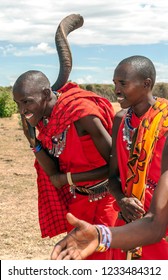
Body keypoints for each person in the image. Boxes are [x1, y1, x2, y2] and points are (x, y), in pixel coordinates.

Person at [51, 55, 168, 260]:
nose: (117, 90)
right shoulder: (121, 120)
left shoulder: (165, 125)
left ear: (146, 84)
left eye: (123, 83)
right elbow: (112, 177)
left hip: (160, 228)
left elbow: (157, 223)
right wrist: (122, 200)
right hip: (125, 223)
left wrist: (100, 235)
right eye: (115, 83)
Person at [12, 70, 118, 260]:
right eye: (18, 104)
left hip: (107, 203)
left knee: (107, 260)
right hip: (77, 201)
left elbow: (115, 166)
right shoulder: (48, 120)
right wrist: (33, 142)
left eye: (27, 101)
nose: (22, 110)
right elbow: (54, 175)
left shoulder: (82, 114)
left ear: (45, 94)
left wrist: (68, 178)